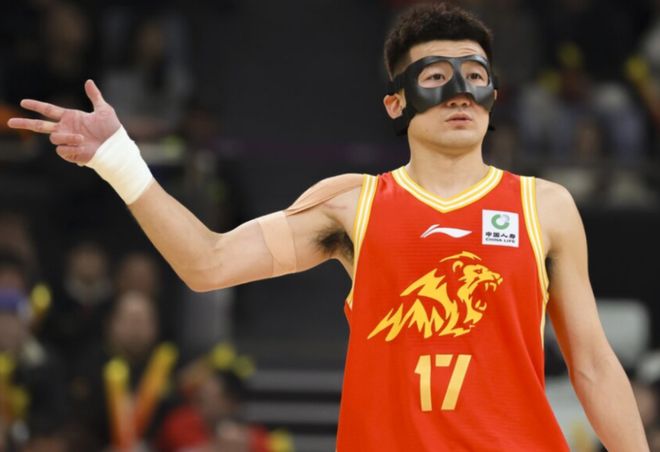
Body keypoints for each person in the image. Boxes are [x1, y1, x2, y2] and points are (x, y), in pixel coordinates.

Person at [7, 2, 649, 450]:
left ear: (493, 97)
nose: (459, 91)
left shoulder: (546, 205)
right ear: (396, 102)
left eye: (476, 77)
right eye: (435, 77)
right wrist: (119, 159)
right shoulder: (351, 205)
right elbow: (207, 264)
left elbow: (593, 365)